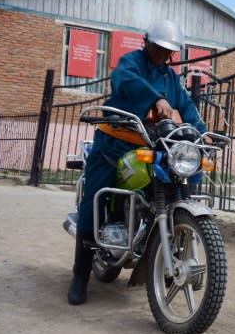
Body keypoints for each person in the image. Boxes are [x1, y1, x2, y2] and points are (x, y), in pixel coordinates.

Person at [67, 19, 207, 305]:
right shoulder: (130, 62)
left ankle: (162, 252)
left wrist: (201, 134)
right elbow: (125, 81)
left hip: (150, 145)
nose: (162, 53)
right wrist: (156, 100)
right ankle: (80, 276)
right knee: (93, 197)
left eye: (167, 50)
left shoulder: (171, 78)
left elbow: (187, 107)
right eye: (157, 47)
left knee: (171, 188)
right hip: (113, 144)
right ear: (147, 42)